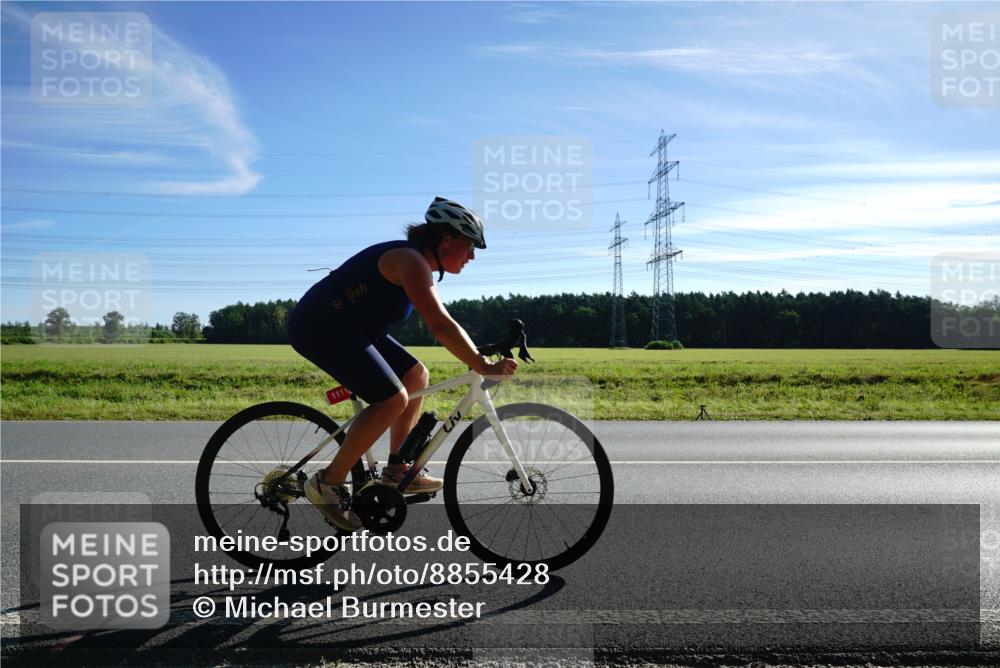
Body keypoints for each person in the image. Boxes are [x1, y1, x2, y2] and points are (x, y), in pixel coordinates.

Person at [288, 197, 518, 531]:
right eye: (469, 246)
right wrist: (481, 364)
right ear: (445, 239)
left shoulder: (417, 264)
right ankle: (328, 481)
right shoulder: (409, 261)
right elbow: (440, 324)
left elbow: (443, 323)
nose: (471, 256)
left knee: (415, 375)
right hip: (320, 326)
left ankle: (398, 469)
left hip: (352, 326)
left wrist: (477, 356)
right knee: (392, 398)